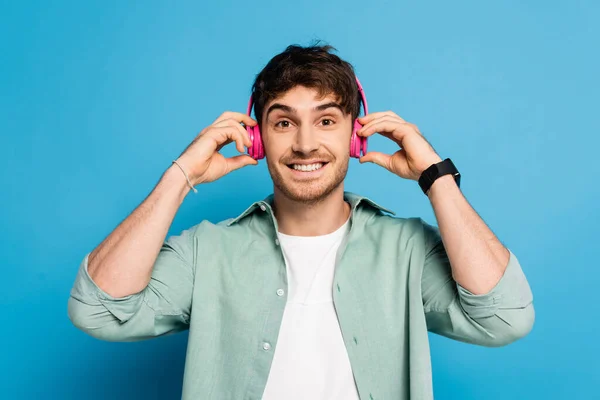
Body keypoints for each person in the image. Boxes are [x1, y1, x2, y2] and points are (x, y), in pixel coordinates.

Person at [67, 43, 535, 400]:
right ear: (257, 139)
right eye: (284, 122)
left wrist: (436, 177)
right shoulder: (206, 252)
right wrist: (181, 175)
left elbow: (504, 318)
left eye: (327, 121)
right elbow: (99, 309)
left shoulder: (405, 249)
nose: (306, 144)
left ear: (357, 134)